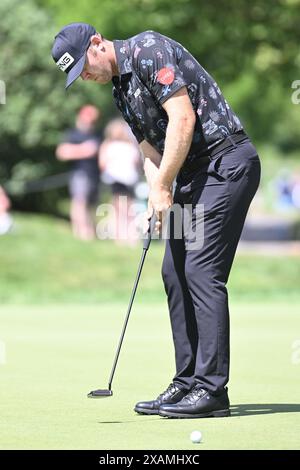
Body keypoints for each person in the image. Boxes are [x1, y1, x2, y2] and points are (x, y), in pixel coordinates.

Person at [52, 23, 261, 418]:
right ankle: (186, 383)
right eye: (77, 75)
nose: (86, 76)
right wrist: (156, 194)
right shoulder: (120, 90)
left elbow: (182, 119)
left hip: (227, 165)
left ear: (97, 43)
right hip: (193, 174)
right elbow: (149, 146)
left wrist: (165, 184)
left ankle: (212, 390)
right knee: (174, 272)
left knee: (201, 271)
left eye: (84, 66)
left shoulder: (149, 49)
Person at [56, 104, 101, 240]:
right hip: (80, 173)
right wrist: (84, 150)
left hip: (94, 175)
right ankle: (80, 231)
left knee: (91, 204)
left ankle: (89, 231)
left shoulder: (96, 134)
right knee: (79, 201)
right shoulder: (72, 134)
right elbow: (61, 152)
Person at [99, 118, 141, 245]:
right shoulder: (108, 145)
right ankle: (119, 236)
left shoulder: (130, 145)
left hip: (128, 179)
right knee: (118, 207)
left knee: (128, 207)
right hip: (116, 179)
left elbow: (136, 162)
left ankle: (130, 235)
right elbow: (103, 163)